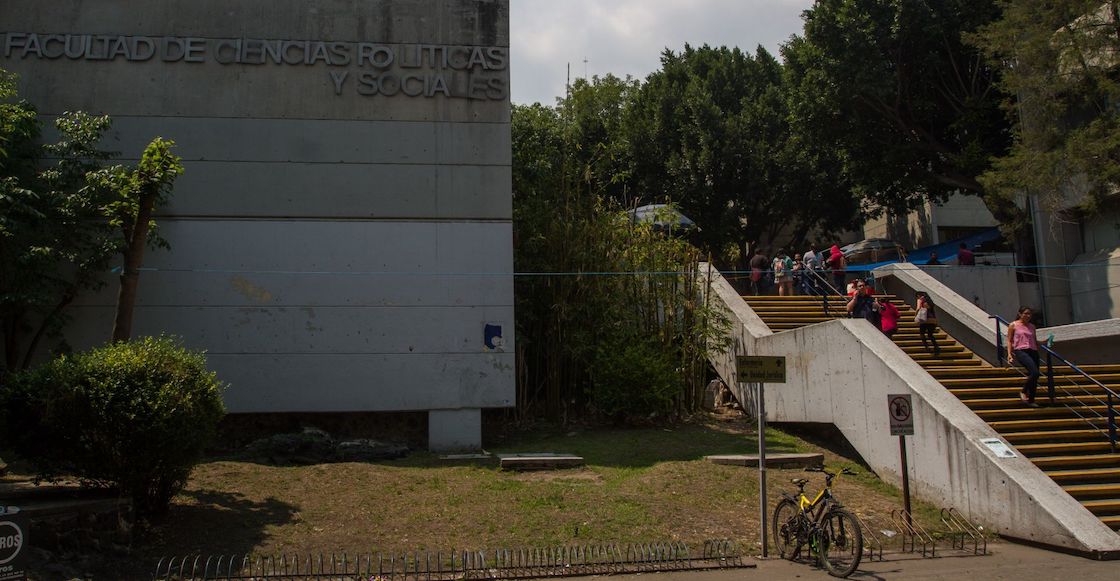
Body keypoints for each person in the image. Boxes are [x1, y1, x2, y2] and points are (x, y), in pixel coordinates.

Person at [1006, 306, 1041, 407]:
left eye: (1029, 314)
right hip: (1021, 350)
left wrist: (1044, 342)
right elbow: (1009, 340)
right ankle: (1024, 391)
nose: (1028, 316)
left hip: (1033, 350)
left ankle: (1031, 400)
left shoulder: (1032, 326)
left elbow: (1034, 340)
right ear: (1020, 314)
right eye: (1025, 313)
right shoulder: (1013, 325)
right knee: (1034, 372)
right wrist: (1009, 354)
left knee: (1035, 376)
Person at [915, 292, 940, 357]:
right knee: (930, 335)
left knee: (922, 333)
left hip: (924, 320)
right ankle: (936, 347)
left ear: (919, 296)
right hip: (933, 320)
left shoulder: (920, 300)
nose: (917, 298)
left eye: (917, 296)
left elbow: (918, 308)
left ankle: (927, 347)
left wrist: (916, 316)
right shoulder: (930, 302)